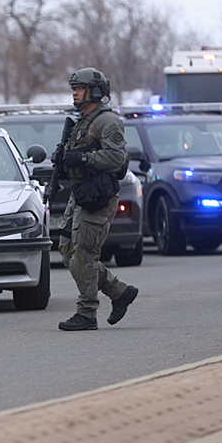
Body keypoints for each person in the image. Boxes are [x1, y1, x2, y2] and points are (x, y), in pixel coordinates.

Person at [56, 68, 139, 331]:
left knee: (84, 253)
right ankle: (119, 292)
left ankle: (87, 313)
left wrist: (83, 159)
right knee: (68, 251)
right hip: (80, 194)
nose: (74, 93)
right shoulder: (82, 121)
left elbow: (116, 158)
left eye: (79, 88)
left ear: (96, 91)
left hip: (98, 196)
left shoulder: (106, 121)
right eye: (73, 88)